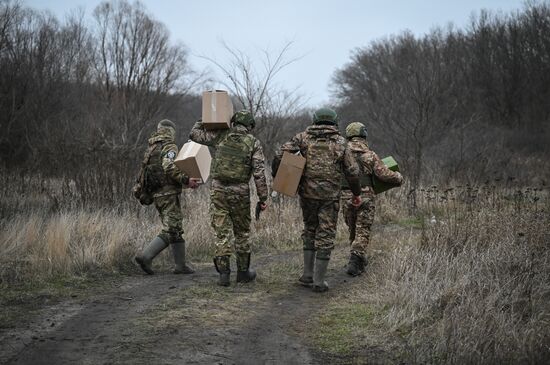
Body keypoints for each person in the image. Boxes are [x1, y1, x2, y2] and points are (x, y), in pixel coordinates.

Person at [272, 108, 362, 292]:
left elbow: (279, 155)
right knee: (326, 234)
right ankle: (319, 282)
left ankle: (307, 276)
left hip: (307, 194)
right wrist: (356, 193)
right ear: (335, 122)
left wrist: (278, 175)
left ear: (315, 120)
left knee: (310, 229)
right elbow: (352, 172)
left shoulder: (302, 138)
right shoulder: (341, 142)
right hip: (329, 197)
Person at [189, 110, 268, 286]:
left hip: (218, 190)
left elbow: (194, 134)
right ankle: (243, 273)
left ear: (233, 122)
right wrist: (263, 198)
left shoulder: (220, 135)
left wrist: (206, 118)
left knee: (221, 232)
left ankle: (223, 275)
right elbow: (259, 173)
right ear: (250, 126)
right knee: (242, 232)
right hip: (240, 192)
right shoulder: (253, 143)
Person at [134, 119, 199, 275]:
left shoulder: (151, 148)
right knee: (171, 229)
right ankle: (146, 256)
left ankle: (180, 265)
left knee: (176, 227)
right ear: (171, 131)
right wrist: (186, 180)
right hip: (168, 193)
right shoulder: (169, 146)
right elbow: (168, 166)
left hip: (157, 194)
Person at [341, 122, 403, 276]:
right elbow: (383, 174)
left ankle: (358, 258)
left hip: (346, 196)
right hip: (366, 196)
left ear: (348, 136)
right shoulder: (370, 155)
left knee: (353, 228)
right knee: (363, 229)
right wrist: (398, 177)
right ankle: (355, 259)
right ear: (364, 135)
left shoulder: (341, 154)